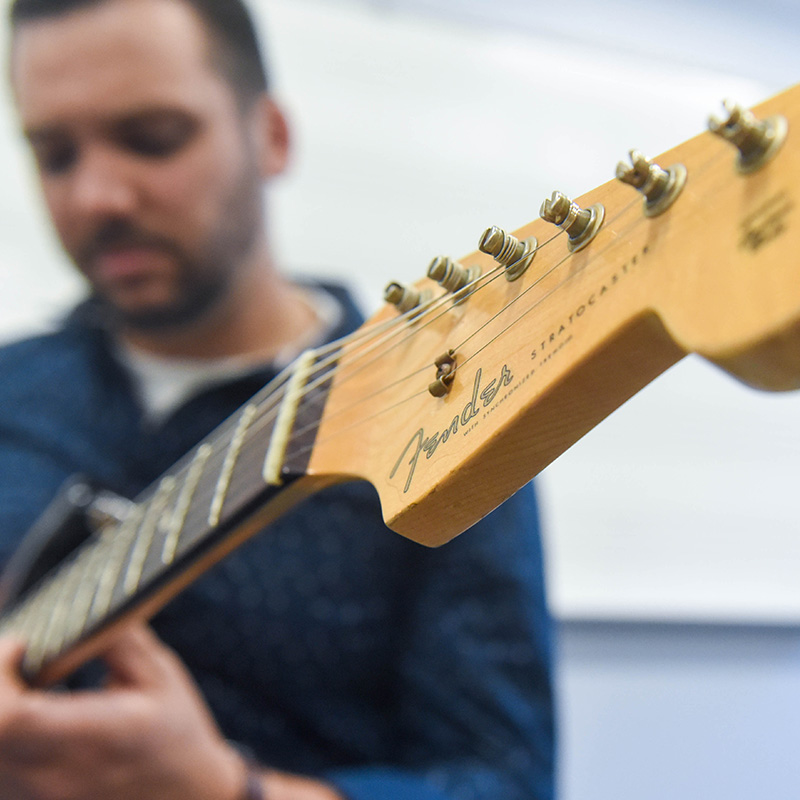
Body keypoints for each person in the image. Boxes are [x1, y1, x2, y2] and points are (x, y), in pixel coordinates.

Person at [0, 0, 555, 798]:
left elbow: (506, 782)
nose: (98, 197)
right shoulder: (13, 391)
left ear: (272, 136)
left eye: (153, 139)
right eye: (55, 156)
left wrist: (226, 791)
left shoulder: (445, 404)